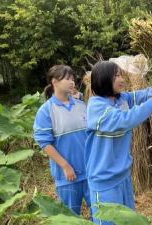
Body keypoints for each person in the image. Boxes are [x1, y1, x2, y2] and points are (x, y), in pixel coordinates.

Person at [85, 61, 152, 224]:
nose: (122, 79)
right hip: (104, 181)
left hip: (123, 175)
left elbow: (145, 94)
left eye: (121, 74)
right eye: (116, 75)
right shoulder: (96, 107)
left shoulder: (121, 99)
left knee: (129, 219)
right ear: (104, 79)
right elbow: (125, 119)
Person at [33, 65, 91, 215]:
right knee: (71, 217)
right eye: (67, 79)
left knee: (100, 214)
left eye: (73, 79)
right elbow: (44, 143)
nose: (72, 82)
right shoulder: (46, 110)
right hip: (68, 176)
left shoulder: (81, 104)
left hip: (90, 171)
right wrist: (65, 166)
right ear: (54, 82)